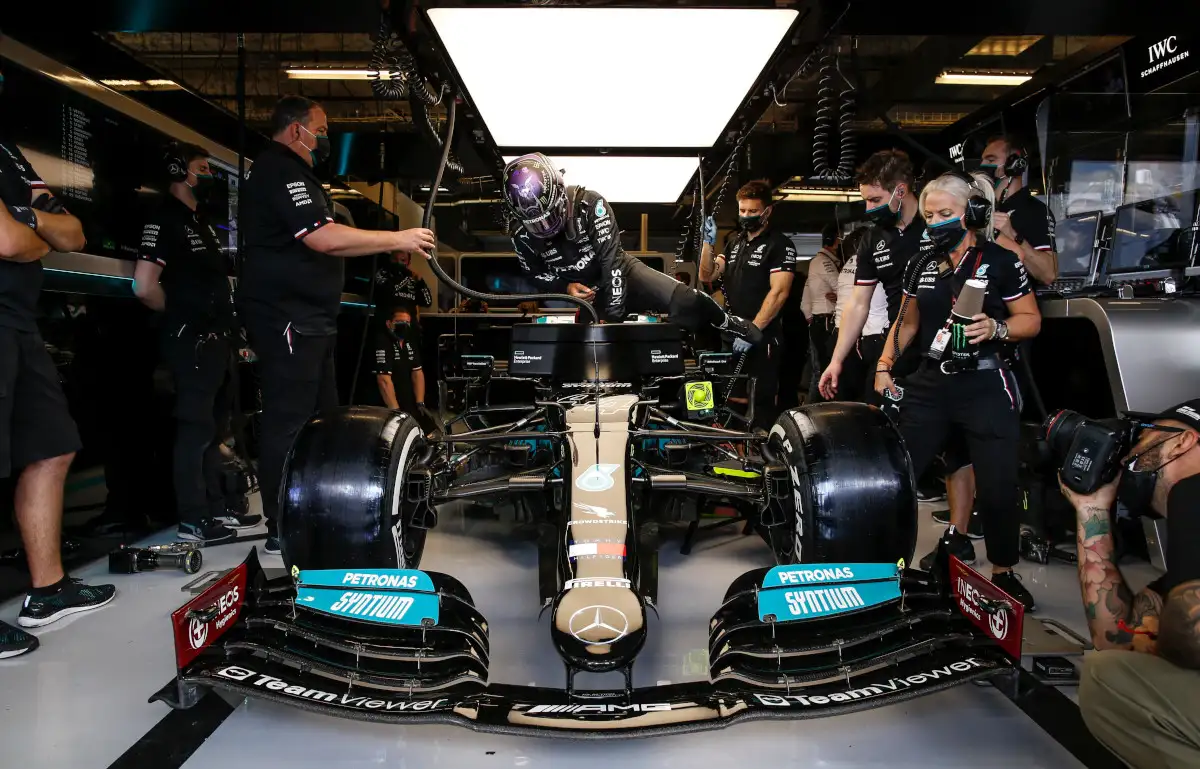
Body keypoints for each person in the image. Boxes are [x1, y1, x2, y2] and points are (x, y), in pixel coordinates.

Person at [237, 95, 436, 555]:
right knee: (289, 423)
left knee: (322, 424)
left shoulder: (301, 176)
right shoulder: (278, 170)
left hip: (314, 321)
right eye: (321, 130)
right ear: (296, 131)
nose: (325, 138)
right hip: (287, 318)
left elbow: (334, 243)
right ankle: (279, 523)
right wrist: (397, 237)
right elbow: (323, 239)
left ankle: (315, 511)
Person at [873, 171, 1041, 610]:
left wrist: (999, 327)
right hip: (930, 381)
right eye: (929, 215)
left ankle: (1004, 571)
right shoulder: (921, 263)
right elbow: (906, 323)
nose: (935, 222)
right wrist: (884, 365)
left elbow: (1031, 320)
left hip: (985, 382)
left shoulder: (1001, 261)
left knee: (1000, 484)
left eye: (946, 214)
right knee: (897, 477)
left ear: (973, 214)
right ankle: (884, 570)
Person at [0, 74, 116, 658]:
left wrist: (32, 225)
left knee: (52, 445)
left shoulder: (7, 155)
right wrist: (33, 226)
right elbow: (8, 241)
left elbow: (71, 230)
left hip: (18, 319)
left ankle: (47, 591)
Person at [505, 153, 764, 354]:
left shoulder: (589, 204)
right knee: (587, 352)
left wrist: (612, 318)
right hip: (587, 292)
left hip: (622, 272)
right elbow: (535, 276)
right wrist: (566, 286)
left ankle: (729, 323)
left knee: (687, 301)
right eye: (536, 223)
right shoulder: (521, 236)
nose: (545, 228)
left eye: (548, 217)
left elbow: (612, 262)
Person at [1059, 399, 1200, 769]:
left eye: (1146, 438)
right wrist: (1091, 512)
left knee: (1108, 683)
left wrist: (1172, 635)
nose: (1127, 459)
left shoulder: (1192, 491)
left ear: (1182, 442)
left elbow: (1191, 635)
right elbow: (1119, 639)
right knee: (1114, 672)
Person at [134, 142, 260, 544]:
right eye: (201, 168)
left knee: (216, 427)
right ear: (178, 170)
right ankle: (193, 517)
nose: (207, 177)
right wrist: (182, 318)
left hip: (217, 343)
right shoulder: (164, 220)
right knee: (195, 429)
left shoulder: (201, 221)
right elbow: (143, 286)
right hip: (191, 343)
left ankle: (217, 506)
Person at [819, 149, 932, 401]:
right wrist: (837, 360)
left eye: (876, 200)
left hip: (942, 342)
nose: (869, 209)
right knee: (875, 409)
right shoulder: (873, 238)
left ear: (900, 191)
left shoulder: (934, 223)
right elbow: (859, 303)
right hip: (899, 342)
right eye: (866, 201)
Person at [979, 134, 1058, 286]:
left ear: (1015, 163)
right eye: (982, 161)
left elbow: (1049, 274)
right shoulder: (981, 208)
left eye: (990, 160)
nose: (983, 166)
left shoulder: (1035, 210)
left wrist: (1011, 235)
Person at [830, 227, 888, 402]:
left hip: (843, 334)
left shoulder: (847, 265)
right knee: (872, 398)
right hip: (873, 335)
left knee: (847, 398)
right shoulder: (875, 264)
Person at [371, 308, 435, 433]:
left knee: (431, 431)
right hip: (385, 405)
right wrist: (396, 412)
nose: (403, 326)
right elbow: (384, 380)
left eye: (406, 322)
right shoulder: (382, 341)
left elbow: (417, 373)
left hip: (408, 402)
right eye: (399, 322)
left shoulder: (409, 342)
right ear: (389, 324)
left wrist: (420, 403)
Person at [801, 223, 839, 404]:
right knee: (824, 371)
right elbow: (842, 287)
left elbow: (804, 302)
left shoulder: (815, 263)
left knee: (819, 370)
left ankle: (812, 411)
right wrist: (841, 298)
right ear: (835, 242)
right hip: (825, 322)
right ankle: (817, 411)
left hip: (818, 321)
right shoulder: (824, 262)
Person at [374, 249, 432, 320]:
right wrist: (407, 278)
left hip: (409, 326)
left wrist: (421, 283)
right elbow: (390, 291)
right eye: (395, 259)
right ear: (390, 259)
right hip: (387, 325)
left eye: (403, 260)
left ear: (408, 262)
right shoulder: (382, 275)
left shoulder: (413, 279)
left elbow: (428, 303)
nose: (399, 262)